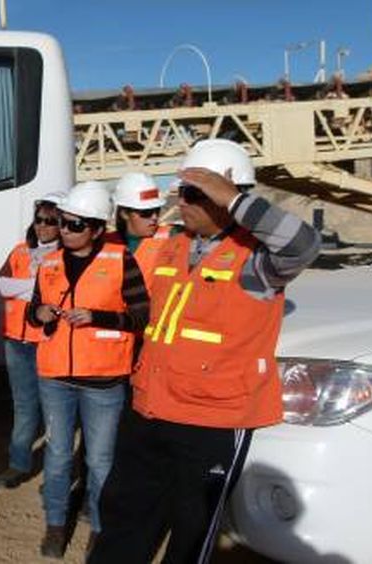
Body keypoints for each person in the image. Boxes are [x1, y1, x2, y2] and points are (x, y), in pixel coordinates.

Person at [89, 139, 321, 564]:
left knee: (190, 534)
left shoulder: (256, 262)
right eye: (183, 191)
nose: (183, 202)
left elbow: (303, 245)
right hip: (148, 409)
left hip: (211, 420)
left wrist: (232, 199)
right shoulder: (174, 245)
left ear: (229, 196)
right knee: (123, 520)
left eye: (196, 193)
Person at [27, 182, 149, 558]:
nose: (65, 230)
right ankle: (55, 526)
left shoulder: (120, 259)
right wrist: (39, 313)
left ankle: (99, 528)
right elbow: (33, 311)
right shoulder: (49, 263)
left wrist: (98, 317)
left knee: (99, 461)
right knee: (58, 456)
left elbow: (142, 315)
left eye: (75, 224)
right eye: (63, 222)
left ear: (96, 229)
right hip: (55, 377)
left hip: (103, 380)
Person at [0, 192, 64, 489]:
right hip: (16, 341)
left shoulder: (65, 255)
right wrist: (34, 289)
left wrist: (22, 289)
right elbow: (1, 285)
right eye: (39, 220)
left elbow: (55, 295)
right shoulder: (20, 250)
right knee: (23, 406)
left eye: (51, 221)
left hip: (47, 341)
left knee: (53, 410)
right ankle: (18, 463)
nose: (43, 226)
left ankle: (55, 473)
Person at [109, 172, 172, 283]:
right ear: (124, 213)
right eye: (146, 212)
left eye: (157, 210)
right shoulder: (104, 244)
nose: (154, 217)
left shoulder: (173, 236)